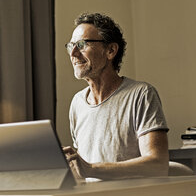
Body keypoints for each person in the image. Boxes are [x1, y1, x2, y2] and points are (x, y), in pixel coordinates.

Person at [63, 12, 169, 181]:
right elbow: (83, 173)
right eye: (71, 46)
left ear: (111, 50)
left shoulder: (141, 94)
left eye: (82, 45)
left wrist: (91, 169)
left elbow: (158, 165)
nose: (73, 53)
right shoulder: (77, 103)